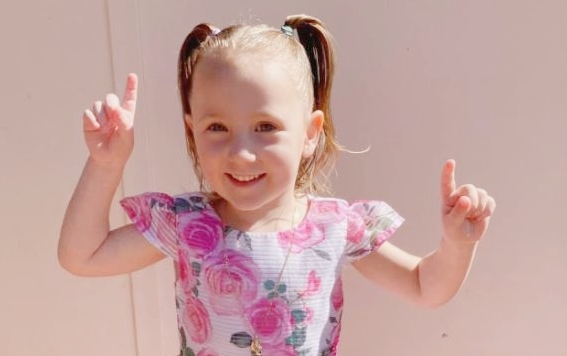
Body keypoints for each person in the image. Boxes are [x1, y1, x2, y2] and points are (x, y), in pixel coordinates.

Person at [59, 14, 495, 356]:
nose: (241, 153)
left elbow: (425, 286)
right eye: (217, 128)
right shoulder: (186, 225)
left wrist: (457, 245)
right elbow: (83, 255)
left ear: (309, 133)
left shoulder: (337, 228)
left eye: (265, 126)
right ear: (192, 131)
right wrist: (106, 163)